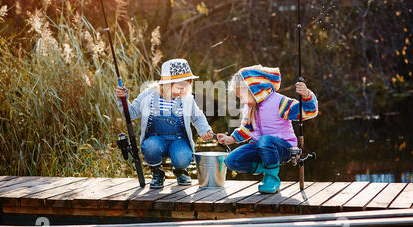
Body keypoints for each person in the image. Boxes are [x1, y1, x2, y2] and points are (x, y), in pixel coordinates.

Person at [217, 65, 318, 194]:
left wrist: (307, 95)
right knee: (231, 161)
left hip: (283, 148)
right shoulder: (250, 107)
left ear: (253, 89)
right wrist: (231, 138)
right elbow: (247, 128)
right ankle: (267, 168)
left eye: (241, 95)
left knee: (265, 141)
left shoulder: (279, 102)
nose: (241, 100)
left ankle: (272, 179)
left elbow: (310, 112)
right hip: (261, 147)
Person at [116, 58, 214, 189]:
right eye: (180, 88)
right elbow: (131, 113)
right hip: (156, 138)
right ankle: (157, 172)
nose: (183, 91)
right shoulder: (149, 95)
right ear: (167, 84)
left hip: (179, 139)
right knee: (150, 147)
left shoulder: (187, 99)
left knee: (182, 157)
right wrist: (123, 100)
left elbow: (198, 117)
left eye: (186, 88)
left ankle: (180, 171)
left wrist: (204, 130)